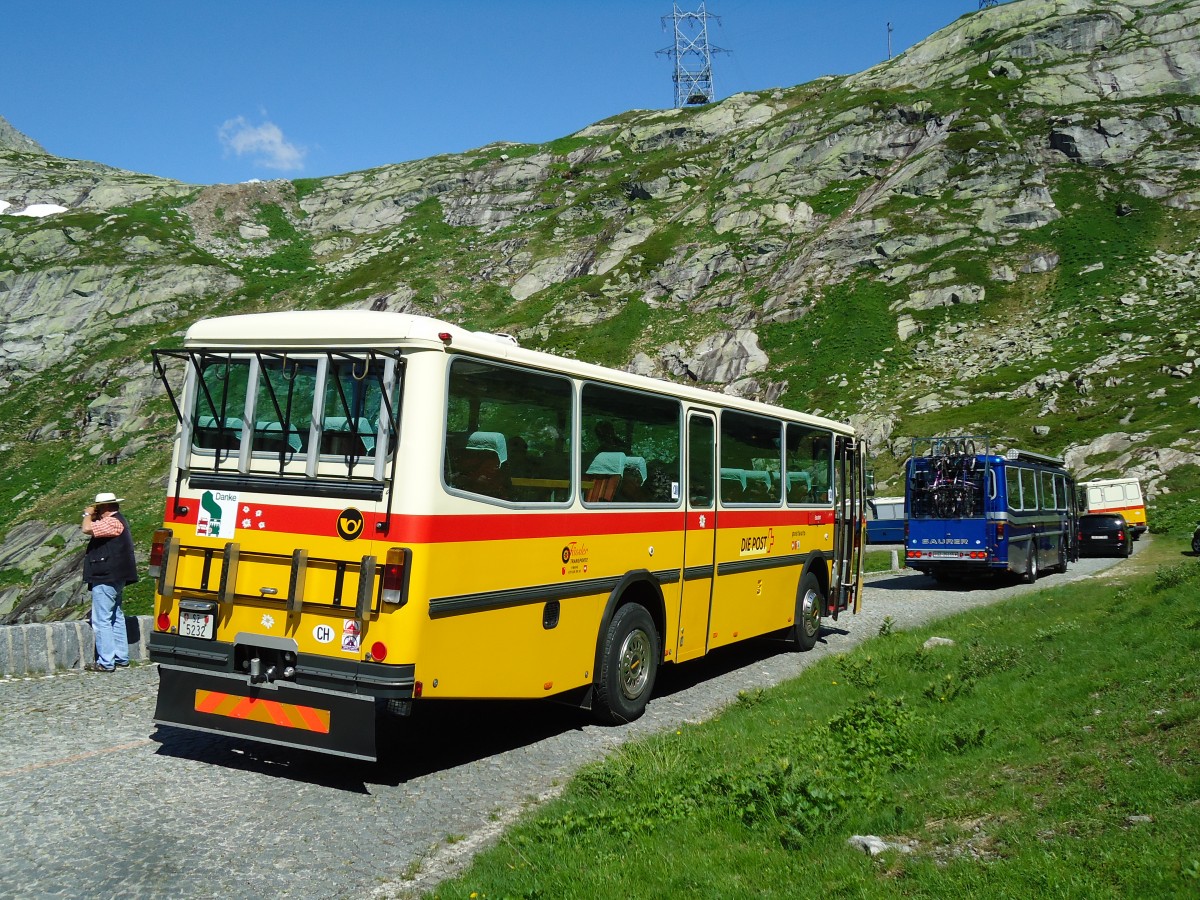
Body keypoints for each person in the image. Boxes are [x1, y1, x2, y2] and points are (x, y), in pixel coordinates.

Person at [81, 491, 138, 672]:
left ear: (104, 507)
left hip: (107, 576)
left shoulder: (112, 522)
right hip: (116, 576)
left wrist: (88, 514)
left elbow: (87, 529)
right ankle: (121, 656)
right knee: (116, 615)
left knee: (101, 619)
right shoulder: (117, 520)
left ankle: (106, 662)